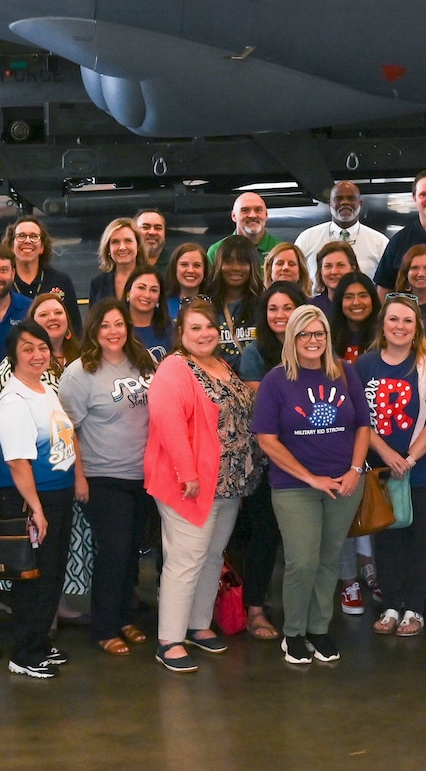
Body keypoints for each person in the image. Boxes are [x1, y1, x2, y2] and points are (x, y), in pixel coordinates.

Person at [145, 301, 258, 671]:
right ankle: (169, 639)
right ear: (182, 334)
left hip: (227, 484)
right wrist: (186, 473)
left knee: (211, 557)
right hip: (190, 483)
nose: (204, 334)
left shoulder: (222, 365)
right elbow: (168, 422)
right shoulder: (174, 369)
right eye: (195, 328)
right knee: (186, 559)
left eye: (209, 327)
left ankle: (197, 625)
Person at [252, 305, 368, 666]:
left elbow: (363, 426)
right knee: (302, 560)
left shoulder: (345, 372)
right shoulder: (276, 380)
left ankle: (319, 628)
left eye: (319, 334)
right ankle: (294, 633)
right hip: (295, 486)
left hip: (344, 484)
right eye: (304, 334)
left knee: (328, 559)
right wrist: (309, 477)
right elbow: (266, 439)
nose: (312, 340)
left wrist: (355, 470)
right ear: (292, 337)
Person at [59, 301, 156, 657]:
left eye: (119, 324)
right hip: (103, 476)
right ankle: (103, 628)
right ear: (94, 331)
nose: (113, 331)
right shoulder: (80, 373)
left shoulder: (144, 363)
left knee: (132, 552)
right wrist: (79, 478)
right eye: (105, 325)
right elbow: (69, 431)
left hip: (143, 476)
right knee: (113, 553)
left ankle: (124, 617)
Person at [354, 293, 426, 635]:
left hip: (423, 469)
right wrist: (386, 454)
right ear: (383, 324)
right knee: (386, 539)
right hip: (380, 469)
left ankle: (414, 608)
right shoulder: (365, 365)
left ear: (417, 327)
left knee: (419, 537)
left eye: (407, 320)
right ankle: (391, 604)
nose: (400, 326)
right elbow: (360, 420)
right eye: (393, 319)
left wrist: (409, 459)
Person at [0, 323, 80, 678]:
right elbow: (16, 461)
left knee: (51, 573)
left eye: (41, 347)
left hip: (57, 494)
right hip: (30, 499)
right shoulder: (14, 400)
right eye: (27, 348)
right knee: (32, 578)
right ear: (13, 356)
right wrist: (37, 509)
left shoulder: (44, 389)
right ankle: (24, 654)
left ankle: (39, 641)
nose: (37, 354)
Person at [233, 282, 304, 640]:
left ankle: (301, 609)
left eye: (288, 307)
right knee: (263, 536)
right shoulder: (254, 355)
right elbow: (266, 410)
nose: (280, 315)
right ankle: (256, 609)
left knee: (300, 542)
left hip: (311, 459)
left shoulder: (314, 349)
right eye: (273, 308)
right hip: (267, 460)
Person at [296, 179, 389, 276]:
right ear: (329, 204)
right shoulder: (307, 238)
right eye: (339, 198)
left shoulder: (380, 242)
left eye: (351, 198)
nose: (345, 202)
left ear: (360, 204)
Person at [4, 215, 79, 324]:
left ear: (42, 247)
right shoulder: (3, 283)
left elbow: (75, 328)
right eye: (21, 236)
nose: (27, 241)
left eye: (34, 236)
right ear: (11, 246)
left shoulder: (61, 281)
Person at [203, 236, 262, 368]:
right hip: (217, 383)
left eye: (243, 262)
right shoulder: (206, 305)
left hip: (256, 383)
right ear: (219, 264)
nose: (236, 268)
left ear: (252, 265)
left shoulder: (264, 305)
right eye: (228, 261)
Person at [89, 218, 151, 306]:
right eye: (115, 242)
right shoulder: (97, 283)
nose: (122, 247)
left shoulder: (153, 280)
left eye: (128, 241)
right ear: (108, 249)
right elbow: (93, 318)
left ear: (138, 246)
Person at [209, 191, 278, 263]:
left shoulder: (281, 250)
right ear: (234, 216)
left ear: (266, 215)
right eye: (245, 210)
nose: (252, 215)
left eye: (258, 210)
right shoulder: (216, 251)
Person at [328, 272, 381, 363]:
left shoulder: (385, 334)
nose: (356, 302)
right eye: (349, 297)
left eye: (363, 296)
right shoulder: (326, 335)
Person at [126, 271, 170, 357]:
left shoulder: (171, 330)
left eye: (154, 290)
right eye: (141, 288)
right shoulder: (116, 329)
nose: (147, 295)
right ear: (128, 292)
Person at [162, 242, 211, 319]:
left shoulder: (215, 305)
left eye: (197, 265)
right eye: (184, 264)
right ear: (174, 269)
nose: (190, 270)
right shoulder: (162, 306)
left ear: (204, 270)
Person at [310, 241, 360, 315]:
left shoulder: (364, 305)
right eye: (328, 266)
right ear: (320, 271)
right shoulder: (312, 308)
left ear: (353, 269)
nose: (334, 272)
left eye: (341, 265)